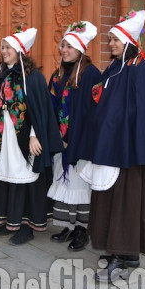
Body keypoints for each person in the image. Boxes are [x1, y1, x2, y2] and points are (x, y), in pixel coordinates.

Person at [79, 10, 145, 283]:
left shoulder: (140, 71)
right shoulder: (117, 67)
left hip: (127, 150)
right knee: (111, 199)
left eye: (115, 40)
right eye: (110, 40)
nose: (111, 44)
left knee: (123, 202)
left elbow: (137, 114)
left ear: (129, 41)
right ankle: (126, 252)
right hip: (110, 146)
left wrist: (113, 131)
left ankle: (120, 255)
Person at [0, 28, 63, 245]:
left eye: (8, 47)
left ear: (20, 51)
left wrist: (35, 136)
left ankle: (27, 226)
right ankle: (12, 221)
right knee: (10, 179)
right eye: (2, 47)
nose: (4, 51)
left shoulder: (33, 78)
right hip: (3, 137)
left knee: (26, 179)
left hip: (24, 138)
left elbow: (40, 111)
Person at [46, 21, 101, 252]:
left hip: (82, 143)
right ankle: (68, 225)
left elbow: (93, 114)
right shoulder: (57, 75)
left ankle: (82, 230)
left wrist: (74, 139)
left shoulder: (91, 75)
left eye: (69, 46)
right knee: (64, 183)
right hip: (62, 142)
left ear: (80, 48)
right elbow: (51, 108)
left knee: (80, 186)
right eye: (63, 46)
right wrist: (57, 137)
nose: (64, 50)